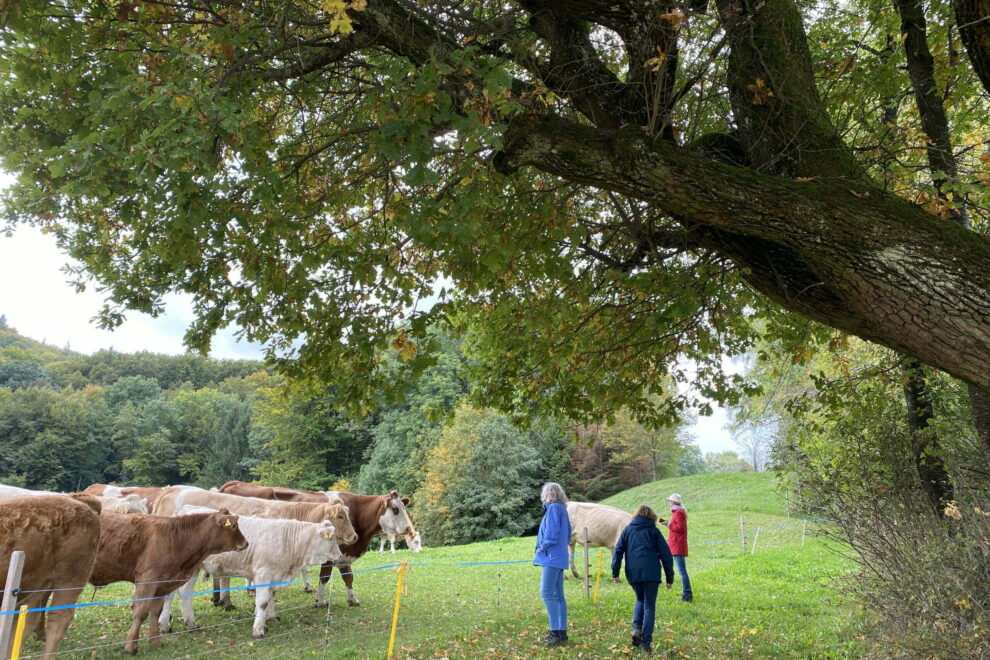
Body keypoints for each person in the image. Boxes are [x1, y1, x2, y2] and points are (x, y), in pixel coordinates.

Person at [612, 505, 674, 655]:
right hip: (651, 573)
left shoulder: (628, 530)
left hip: (633, 572)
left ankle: (636, 628)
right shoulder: (653, 531)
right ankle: (646, 642)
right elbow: (666, 554)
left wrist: (615, 572)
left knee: (640, 599)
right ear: (652, 516)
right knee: (649, 606)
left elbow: (618, 551)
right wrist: (669, 577)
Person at [534, 482, 572, 646]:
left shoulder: (554, 509)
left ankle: (555, 631)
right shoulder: (562, 509)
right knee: (558, 596)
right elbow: (568, 532)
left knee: (546, 592)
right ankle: (561, 632)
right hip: (559, 556)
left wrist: (543, 547)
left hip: (551, 556)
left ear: (547, 494)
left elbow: (552, 533)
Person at [659, 492, 692, 602]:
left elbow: (680, 528)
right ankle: (687, 593)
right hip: (676, 545)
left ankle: (687, 594)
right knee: (681, 570)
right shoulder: (678, 512)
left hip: (678, 546)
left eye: (669, 501)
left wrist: (668, 524)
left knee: (682, 571)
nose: (669, 503)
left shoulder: (678, 513)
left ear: (673, 502)